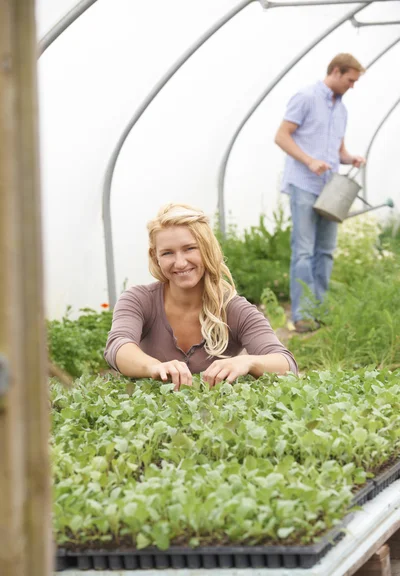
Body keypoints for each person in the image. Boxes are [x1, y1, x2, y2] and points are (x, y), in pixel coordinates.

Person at [104, 203, 297, 389]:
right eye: (168, 253)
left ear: (207, 249)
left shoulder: (234, 308)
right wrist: (153, 367)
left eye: (190, 248)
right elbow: (118, 347)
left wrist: (248, 362)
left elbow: (286, 363)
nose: (180, 263)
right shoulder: (139, 300)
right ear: (156, 258)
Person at [275, 53, 366, 333]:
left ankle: (320, 310)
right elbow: (281, 136)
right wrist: (309, 160)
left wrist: (350, 158)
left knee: (325, 251)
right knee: (303, 251)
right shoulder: (305, 97)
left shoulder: (342, 110)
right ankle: (302, 315)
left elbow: (338, 151)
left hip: (329, 189)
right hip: (304, 183)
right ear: (336, 72)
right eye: (350, 80)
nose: (352, 86)